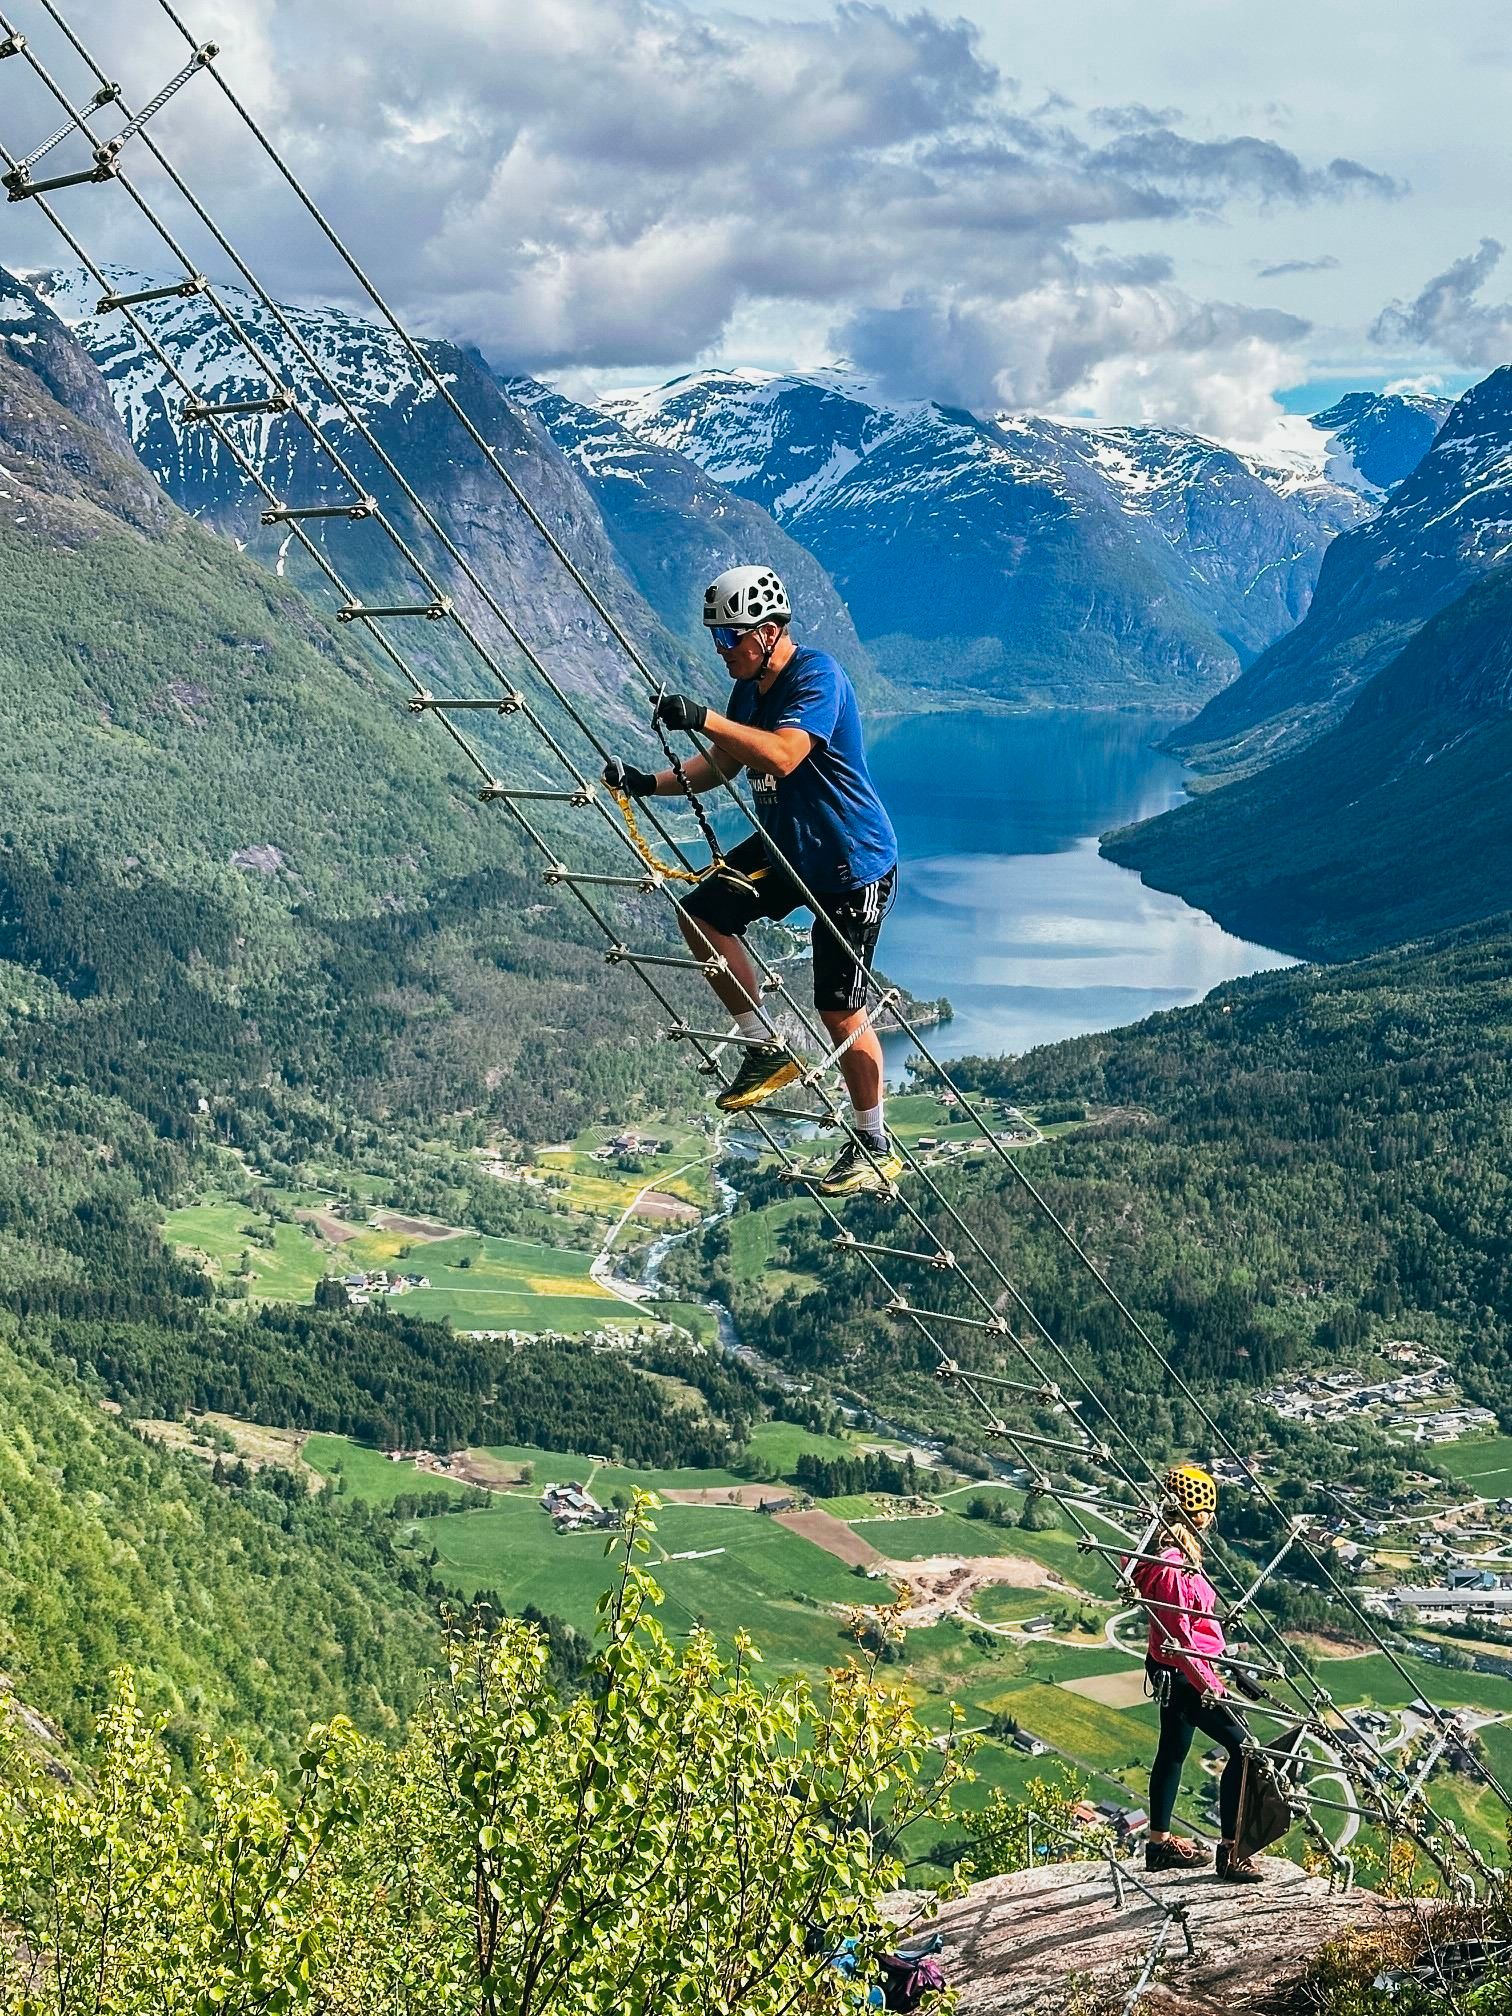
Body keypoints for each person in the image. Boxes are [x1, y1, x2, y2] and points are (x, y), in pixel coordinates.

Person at [603, 564, 902, 1198]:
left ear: (767, 631)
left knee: (839, 1010)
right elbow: (723, 765)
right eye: (716, 638)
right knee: (701, 914)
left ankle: (874, 1142)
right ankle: (765, 1047)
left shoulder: (817, 676)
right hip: (787, 849)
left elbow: (784, 755)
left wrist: (703, 716)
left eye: (729, 637)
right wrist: (646, 783)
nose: (721, 649)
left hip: (849, 862)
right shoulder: (749, 687)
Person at [1130, 1463, 1264, 1884]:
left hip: (1173, 1670)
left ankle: (1158, 1845)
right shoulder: (1174, 1568)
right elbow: (1182, 1638)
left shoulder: (1157, 1554)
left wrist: (1229, 1663)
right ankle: (1232, 1852)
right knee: (1245, 1749)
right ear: (1200, 1515)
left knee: (1172, 1751)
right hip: (1188, 1675)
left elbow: (1187, 1631)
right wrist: (1213, 1686)